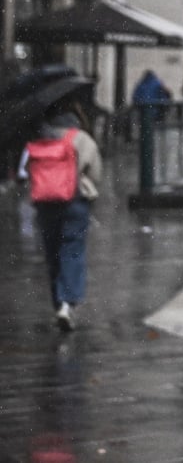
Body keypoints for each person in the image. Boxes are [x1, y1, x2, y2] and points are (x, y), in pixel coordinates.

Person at [25, 96, 102, 332]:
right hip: (75, 201)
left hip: (45, 203)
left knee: (52, 252)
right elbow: (95, 171)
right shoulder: (80, 138)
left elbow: (28, 170)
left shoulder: (38, 137)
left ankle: (57, 301)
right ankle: (67, 304)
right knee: (72, 249)